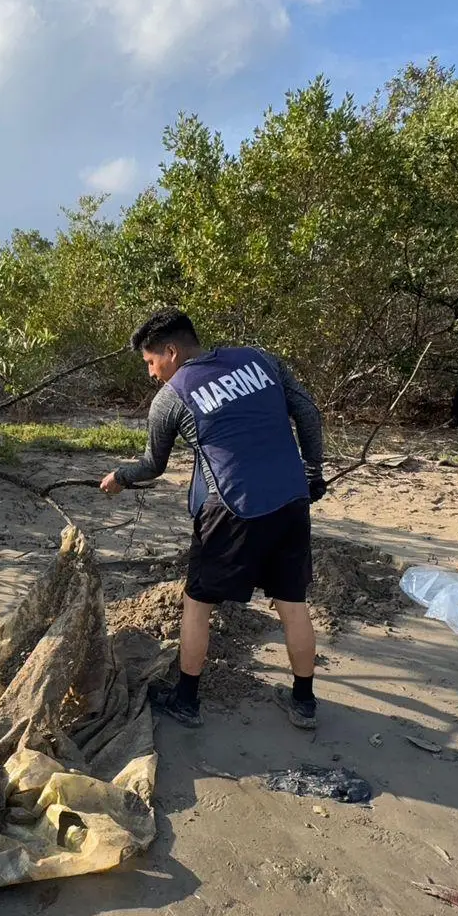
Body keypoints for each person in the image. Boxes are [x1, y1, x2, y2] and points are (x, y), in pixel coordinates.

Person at [100, 309, 327, 730]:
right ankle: (304, 702)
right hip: (291, 499)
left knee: (198, 603)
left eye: (151, 363)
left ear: (171, 351)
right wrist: (313, 472)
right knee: (293, 604)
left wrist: (119, 477)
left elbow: (153, 465)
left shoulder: (171, 398)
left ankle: (186, 701)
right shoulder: (261, 359)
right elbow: (308, 414)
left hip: (232, 508)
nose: (151, 374)